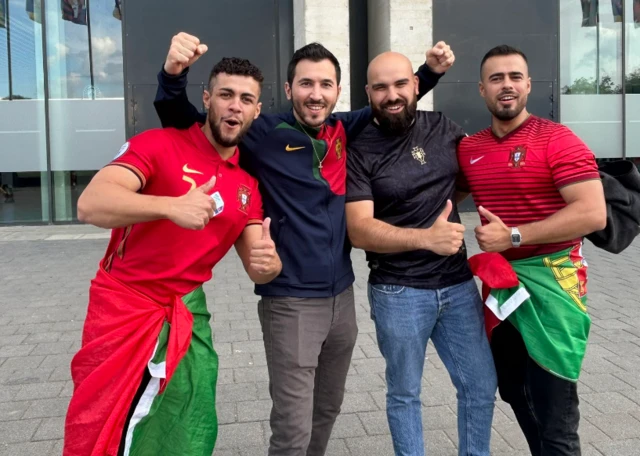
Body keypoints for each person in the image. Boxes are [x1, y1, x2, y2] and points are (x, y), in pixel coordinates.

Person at [153, 32, 455, 455]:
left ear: (337, 91)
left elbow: (392, 102)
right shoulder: (261, 132)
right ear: (290, 88)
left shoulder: (342, 127)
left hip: (341, 299)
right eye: (307, 84)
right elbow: (183, 121)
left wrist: (431, 72)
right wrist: (173, 75)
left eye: (325, 85)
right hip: (290, 301)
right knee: (293, 427)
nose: (316, 94)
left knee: (326, 410)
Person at [64, 57, 282, 456]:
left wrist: (271, 264)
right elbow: (90, 204)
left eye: (246, 99)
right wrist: (169, 206)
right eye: (226, 95)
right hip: (126, 308)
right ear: (207, 98)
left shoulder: (247, 184)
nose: (235, 105)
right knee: (110, 426)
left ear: (256, 110)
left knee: (186, 422)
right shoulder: (159, 143)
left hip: (186, 315)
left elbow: (258, 266)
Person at [344, 51, 497, 456]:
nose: (391, 95)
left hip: (458, 286)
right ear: (368, 93)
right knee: (405, 393)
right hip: (399, 291)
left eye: (399, 84)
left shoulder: (443, 126)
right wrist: (425, 237)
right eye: (380, 87)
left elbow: (467, 178)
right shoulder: (358, 149)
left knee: (480, 386)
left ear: (415, 84)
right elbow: (359, 229)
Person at [457, 45, 607, 456]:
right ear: (482, 90)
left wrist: (515, 236)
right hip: (502, 289)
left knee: (555, 406)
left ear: (528, 85)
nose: (506, 85)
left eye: (515, 77)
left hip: (554, 285)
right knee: (513, 389)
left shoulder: (557, 139)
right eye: (496, 78)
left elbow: (593, 213)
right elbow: (439, 193)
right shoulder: (471, 149)